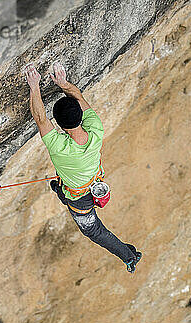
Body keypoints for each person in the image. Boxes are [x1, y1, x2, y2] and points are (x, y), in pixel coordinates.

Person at [24, 62, 142, 273]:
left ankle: (130, 256)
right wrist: (62, 82)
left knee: (93, 230)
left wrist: (35, 87)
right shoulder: (95, 128)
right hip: (93, 183)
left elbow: (41, 117)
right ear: (81, 115)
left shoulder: (61, 148)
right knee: (64, 191)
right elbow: (74, 100)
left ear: (59, 126)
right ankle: (60, 189)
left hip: (80, 197)